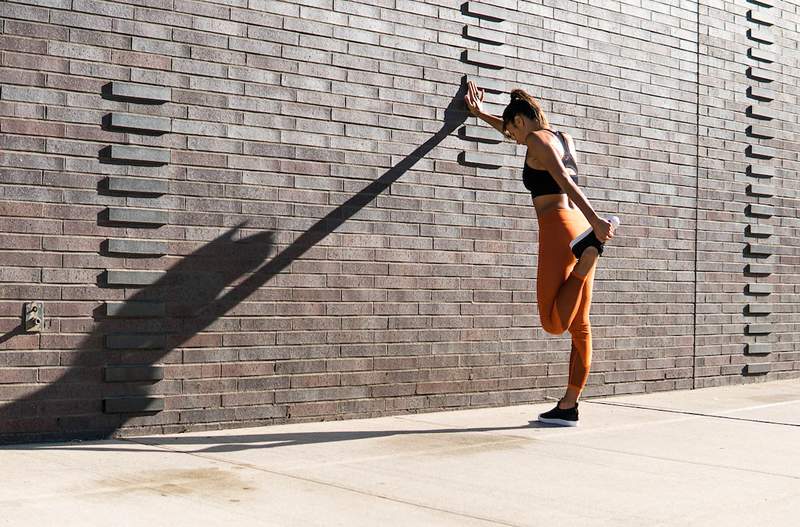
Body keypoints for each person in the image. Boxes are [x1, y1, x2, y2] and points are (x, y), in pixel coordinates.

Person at [464, 81, 619, 426]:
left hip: (559, 227)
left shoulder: (535, 140)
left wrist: (595, 221)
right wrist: (480, 114)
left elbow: (563, 178)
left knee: (553, 323)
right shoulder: (563, 138)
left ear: (521, 120)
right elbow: (552, 160)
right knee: (579, 325)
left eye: (512, 130)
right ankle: (569, 405)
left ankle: (587, 258)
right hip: (577, 227)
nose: (513, 139)